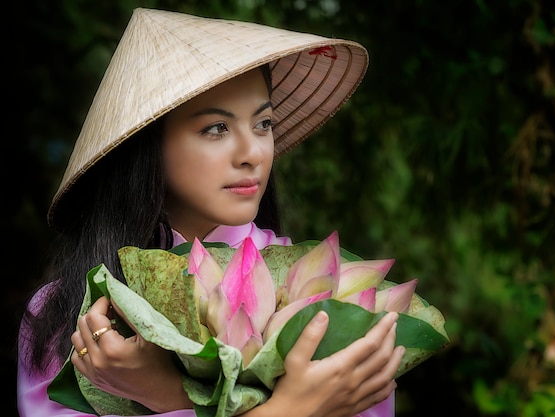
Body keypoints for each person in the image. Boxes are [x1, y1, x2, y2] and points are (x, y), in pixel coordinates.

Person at [17, 8, 404, 417]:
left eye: (264, 123)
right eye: (216, 129)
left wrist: (171, 396)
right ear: (147, 150)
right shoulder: (65, 315)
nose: (253, 153)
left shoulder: (324, 291)